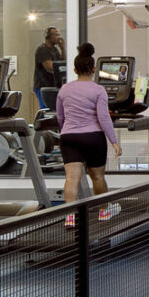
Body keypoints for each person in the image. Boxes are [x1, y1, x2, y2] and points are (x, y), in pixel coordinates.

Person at [55, 42, 122, 224]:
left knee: (72, 178)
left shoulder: (65, 89)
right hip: (93, 137)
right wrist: (114, 141)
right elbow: (103, 118)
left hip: (69, 137)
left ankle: (70, 217)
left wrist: (66, 133)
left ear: (75, 69)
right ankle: (103, 212)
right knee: (98, 176)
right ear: (93, 69)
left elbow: (60, 117)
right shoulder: (98, 90)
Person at [33, 26, 63, 110]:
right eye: (56, 35)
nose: (59, 37)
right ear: (48, 36)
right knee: (46, 110)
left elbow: (63, 63)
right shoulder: (42, 50)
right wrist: (59, 69)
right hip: (43, 86)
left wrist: (63, 48)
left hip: (52, 85)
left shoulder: (55, 49)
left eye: (59, 34)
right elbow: (50, 68)